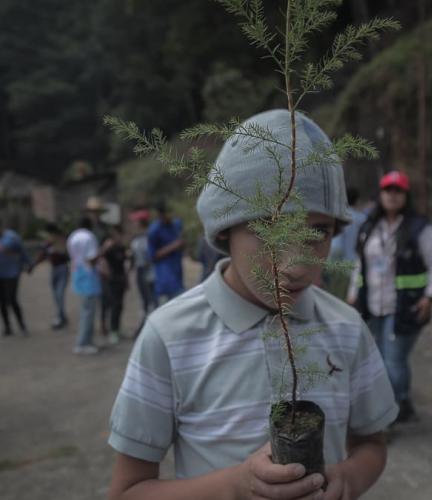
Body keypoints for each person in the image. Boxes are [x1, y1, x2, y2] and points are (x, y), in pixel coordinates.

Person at [108, 110, 398, 500]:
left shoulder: (347, 327)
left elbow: (371, 444)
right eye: (271, 228)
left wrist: (349, 476)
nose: (296, 264)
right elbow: (128, 491)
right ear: (226, 228)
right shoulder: (170, 335)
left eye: (318, 231)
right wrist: (235, 487)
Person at [347, 170, 432, 424]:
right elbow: (360, 265)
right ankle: (402, 401)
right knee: (381, 358)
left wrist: (431, 296)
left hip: (404, 306)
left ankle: (389, 413)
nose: (392, 196)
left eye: (398, 191)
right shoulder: (370, 226)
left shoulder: (420, 228)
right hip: (373, 306)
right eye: (387, 190)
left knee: (393, 360)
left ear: (406, 195)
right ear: (380, 194)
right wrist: (352, 294)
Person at [67, 217, 102, 355]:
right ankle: (83, 343)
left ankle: (87, 340)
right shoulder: (89, 237)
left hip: (78, 275)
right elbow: (91, 258)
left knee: (85, 311)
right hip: (89, 277)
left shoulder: (73, 236)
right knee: (88, 313)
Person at [326, 188, 367, 299]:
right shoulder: (362, 219)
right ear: (357, 200)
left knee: (333, 294)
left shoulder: (338, 216)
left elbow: (336, 245)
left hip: (336, 261)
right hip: (354, 263)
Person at [29, 223, 70, 330]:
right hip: (54, 269)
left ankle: (60, 318)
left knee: (59, 294)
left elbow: (65, 254)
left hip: (62, 268)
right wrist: (33, 265)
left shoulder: (61, 240)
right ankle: (61, 315)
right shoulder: (49, 243)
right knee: (56, 295)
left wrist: (56, 246)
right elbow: (42, 255)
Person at [147, 202, 184, 307]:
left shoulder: (176, 225)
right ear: (160, 215)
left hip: (177, 276)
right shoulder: (154, 231)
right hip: (164, 280)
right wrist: (173, 246)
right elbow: (153, 256)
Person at [99, 226, 128, 344]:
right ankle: (113, 331)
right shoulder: (108, 249)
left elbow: (124, 264)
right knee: (113, 305)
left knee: (120, 305)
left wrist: (127, 280)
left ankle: (117, 328)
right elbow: (99, 258)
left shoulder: (121, 248)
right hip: (111, 280)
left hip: (120, 279)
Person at [128, 211, 154, 335]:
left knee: (150, 300)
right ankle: (143, 325)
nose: (133, 224)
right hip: (140, 270)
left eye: (135, 221)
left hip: (148, 271)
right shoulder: (137, 237)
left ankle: (147, 327)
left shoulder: (149, 237)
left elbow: (150, 256)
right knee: (144, 300)